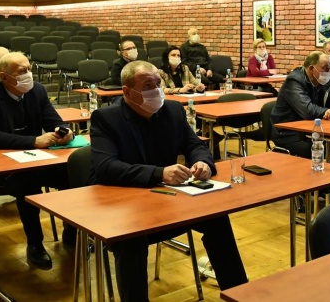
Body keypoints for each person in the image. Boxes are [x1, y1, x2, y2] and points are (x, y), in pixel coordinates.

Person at [90, 61, 247, 301]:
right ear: (127, 91)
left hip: (169, 202)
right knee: (130, 238)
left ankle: (239, 294)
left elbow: (194, 145)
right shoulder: (106, 118)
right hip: (125, 207)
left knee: (217, 218)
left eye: (158, 83)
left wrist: (203, 162)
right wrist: (159, 173)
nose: (156, 90)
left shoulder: (172, 110)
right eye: (147, 85)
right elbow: (106, 167)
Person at [0, 52, 75, 268]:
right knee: (27, 183)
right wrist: (34, 141)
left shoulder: (37, 91)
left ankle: (72, 231)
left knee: (72, 173)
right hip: (2, 166)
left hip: (35, 159)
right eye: (22, 71)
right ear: (5, 77)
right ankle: (35, 244)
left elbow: (53, 120)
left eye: (29, 68)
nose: (29, 74)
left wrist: (64, 132)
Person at [270, 51, 330, 189]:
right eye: (325, 67)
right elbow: (307, 110)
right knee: (313, 151)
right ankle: (307, 190)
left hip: (314, 131)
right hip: (288, 133)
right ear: (312, 68)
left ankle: (324, 186)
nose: (329, 71)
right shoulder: (294, 81)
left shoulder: (326, 81)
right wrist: (327, 112)